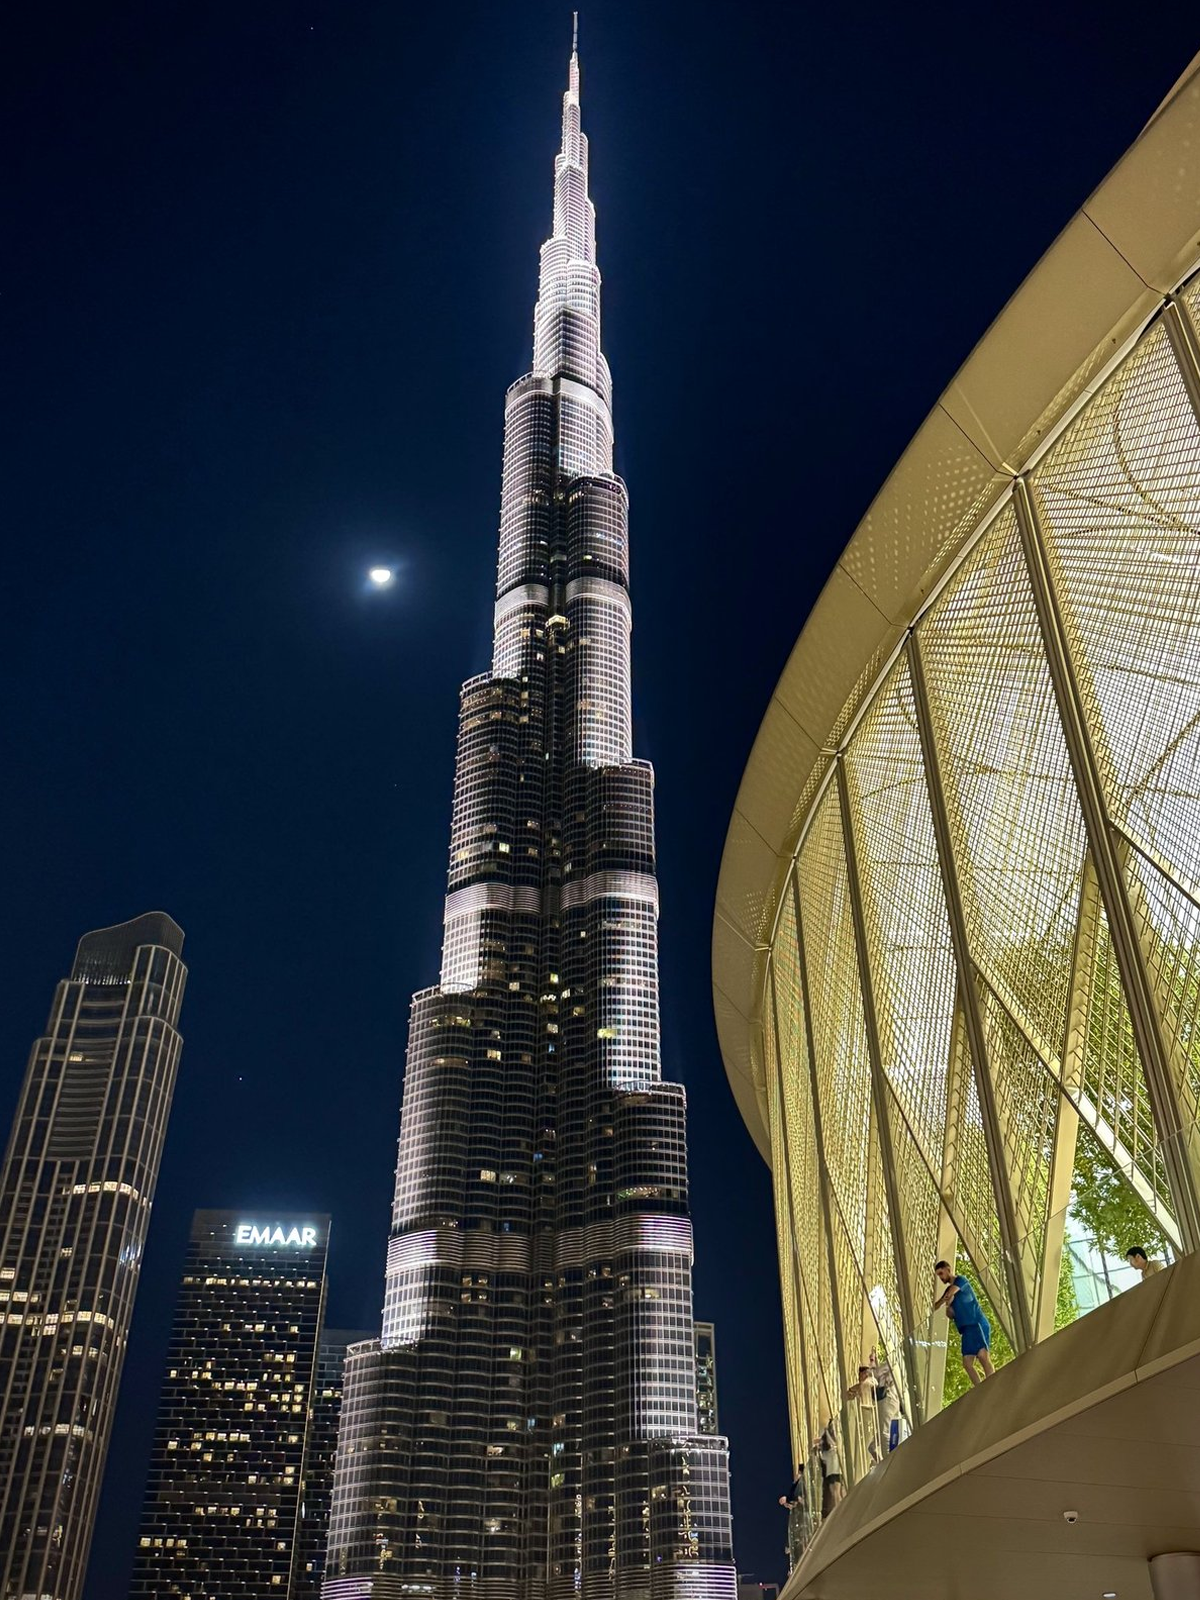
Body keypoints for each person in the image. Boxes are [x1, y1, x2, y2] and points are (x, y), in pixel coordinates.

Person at [932, 1260, 994, 1385]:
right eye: (938, 1275)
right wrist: (948, 1306)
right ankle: (980, 1387)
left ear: (948, 1270)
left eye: (941, 1273)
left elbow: (950, 1294)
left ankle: (993, 1382)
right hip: (966, 1329)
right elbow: (944, 1309)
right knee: (967, 1363)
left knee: (983, 1355)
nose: (941, 1277)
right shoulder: (948, 1290)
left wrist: (948, 1300)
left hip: (975, 1323)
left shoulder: (961, 1281)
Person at [817, 1418, 844, 1512]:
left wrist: (827, 1432)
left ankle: (839, 1509)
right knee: (834, 1491)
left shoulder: (834, 1448)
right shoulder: (829, 1451)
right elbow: (824, 1458)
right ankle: (838, 1508)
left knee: (836, 1491)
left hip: (835, 1470)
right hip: (832, 1470)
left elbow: (833, 1443)